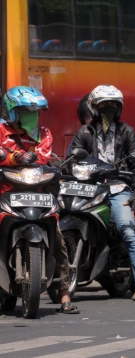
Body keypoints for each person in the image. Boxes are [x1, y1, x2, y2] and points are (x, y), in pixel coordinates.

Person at [0, 86, 79, 313]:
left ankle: (64, 295)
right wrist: (16, 157)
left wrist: (17, 158)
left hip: (39, 194)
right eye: (27, 112)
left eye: (35, 112)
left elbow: (41, 158)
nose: (33, 117)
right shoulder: (1, 130)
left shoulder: (43, 133)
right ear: (12, 112)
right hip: (4, 192)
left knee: (58, 239)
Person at [70, 84, 135, 301]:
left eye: (113, 106)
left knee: (126, 227)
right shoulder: (84, 132)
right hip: (88, 189)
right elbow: (71, 160)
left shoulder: (127, 132)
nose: (108, 110)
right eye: (103, 106)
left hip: (118, 188)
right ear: (93, 108)